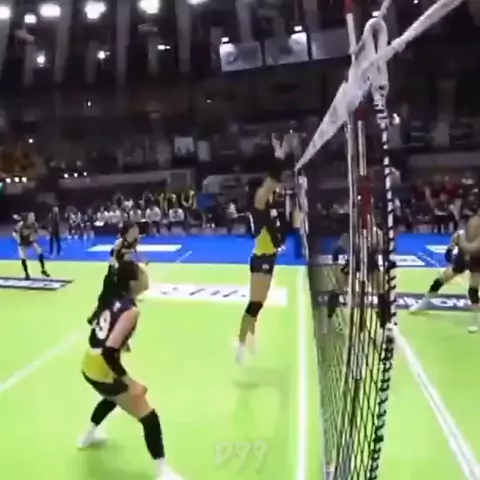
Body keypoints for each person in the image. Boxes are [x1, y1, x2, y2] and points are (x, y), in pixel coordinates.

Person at [78, 261, 182, 480]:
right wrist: (131, 382)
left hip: (88, 363)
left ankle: (88, 436)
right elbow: (108, 352)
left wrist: (121, 342)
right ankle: (163, 471)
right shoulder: (131, 311)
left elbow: (99, 331)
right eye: (142, 272)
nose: (146, 275)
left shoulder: (113, 298)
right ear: (134, 283)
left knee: (111, 398)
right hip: (102, 367)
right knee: (149, 417)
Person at [235, 134, 288, 364]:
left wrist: (279, 243)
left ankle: (251, 338)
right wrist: (279, 156)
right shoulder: (259, 203)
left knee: (259, 303)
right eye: (268, 188)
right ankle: (240, 345)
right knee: (254, 304)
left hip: (270, 257)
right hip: (260, 259)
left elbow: (276, 229)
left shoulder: (271, 205)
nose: (273, 189)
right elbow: (273, 180)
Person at [87, 222, 143, 325]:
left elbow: (134, 252)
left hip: (126, 271)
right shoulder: (119, 243)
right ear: (127, 232)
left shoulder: (135, 241)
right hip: (115, 272)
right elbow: (113, 257)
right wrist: (115, 269)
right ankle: (96, 316)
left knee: (127, 295)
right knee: (106, 298)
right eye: (133, 230)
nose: (136, 232)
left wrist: (140, 259)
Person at [409, 230, 466, 313]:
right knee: (441, 279)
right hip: (462, 260)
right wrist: (450, 252)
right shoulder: (461, 235)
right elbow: (449, 251)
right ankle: (424, 303)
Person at [452, 212, 480, 333]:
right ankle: (475, 321)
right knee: (473, 290)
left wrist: (461, 241)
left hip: (476, 255)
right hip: (476, 260)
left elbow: (472, 248)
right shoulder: (474, 221)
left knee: (473, 289)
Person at [12, 212, 50, 279]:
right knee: (23, 257)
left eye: (34, 216)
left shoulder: (34, 224)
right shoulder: (20, 224)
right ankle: (26, 273)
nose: (34, 218)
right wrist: (18, 240)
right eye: (32, 217)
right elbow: (14, 233)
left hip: (30, 242)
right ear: (28, 218)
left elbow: (36, 233)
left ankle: (43, 270)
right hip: (22, 243)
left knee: (39, 251)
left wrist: (34, 237)